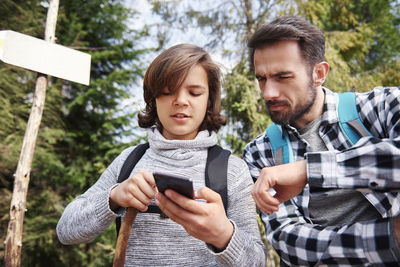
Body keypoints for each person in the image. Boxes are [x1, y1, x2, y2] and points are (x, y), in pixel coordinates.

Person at [57, 43, 266, 266]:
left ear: (209, 98)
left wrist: (223, 234)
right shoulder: (129, 161)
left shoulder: (231, 170)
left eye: (194, 92)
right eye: (167, 92)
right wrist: (114, 196)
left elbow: (257, 261)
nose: (181, 101)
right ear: (153, 98)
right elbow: (66, 231)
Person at [242, 15, 400, 266]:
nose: (268, 92)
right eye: (262, 78)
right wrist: (389, 237)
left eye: (282, 77)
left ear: (319, 73)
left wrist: (310, 170)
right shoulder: (260, 151)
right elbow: (289, 242)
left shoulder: (381, 106)